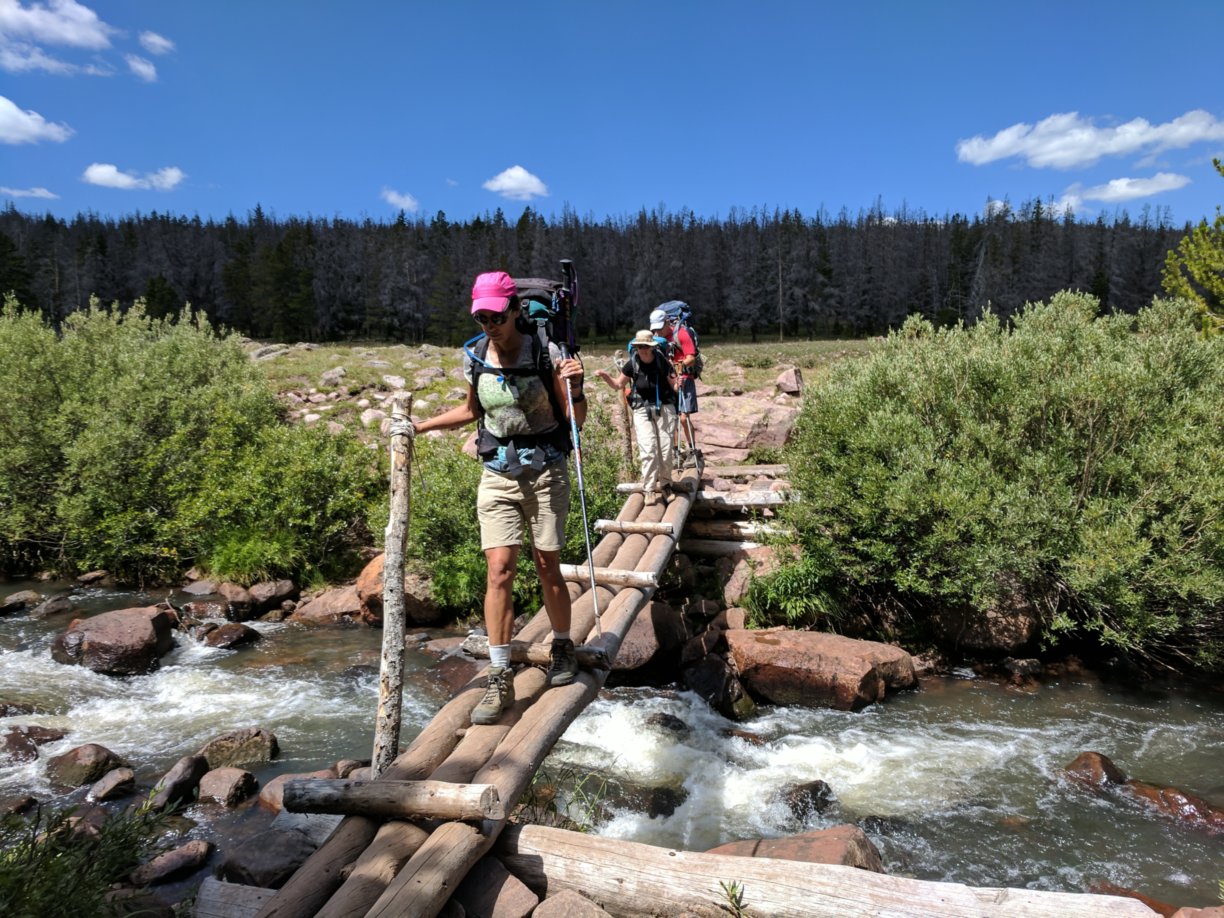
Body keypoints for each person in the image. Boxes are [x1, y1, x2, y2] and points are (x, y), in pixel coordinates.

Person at [412, 270, 587, 726]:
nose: (489, 324)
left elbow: (575, 418)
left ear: (514, 310)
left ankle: (562, 645)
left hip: (546, 471)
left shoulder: (545, 352)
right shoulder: (475, 355)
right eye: (481, 317)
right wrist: (421, 426)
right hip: (497, 474)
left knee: (547, 564)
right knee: (499, 571)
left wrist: (576, 385)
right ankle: (500, 673)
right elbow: (471, 410)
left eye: (496, 316)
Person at [595, 330, 677, 506]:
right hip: (641, 409)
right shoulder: (632, 363)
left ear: (652, 347)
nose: (643, 350)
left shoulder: (662, 361)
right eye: (639, 347)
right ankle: (649, 489)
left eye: (645, 346)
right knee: (648, 450)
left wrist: (681, 383)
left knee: (665, 449)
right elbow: (618, 385)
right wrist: (605, 376)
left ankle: (666, 485)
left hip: (664, 406)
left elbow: (674, 384)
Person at [650, 306, 699, 460]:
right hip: (668, 380)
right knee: (672, 418)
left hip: (685, 378)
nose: (657, 332)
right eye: (655, 329)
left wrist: (678, 366)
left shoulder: (681, 334)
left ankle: (692, 450)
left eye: (660, 328)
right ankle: (676, 452)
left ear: (667, 322)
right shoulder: (654, 338)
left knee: (683, 418)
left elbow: (691, 357)